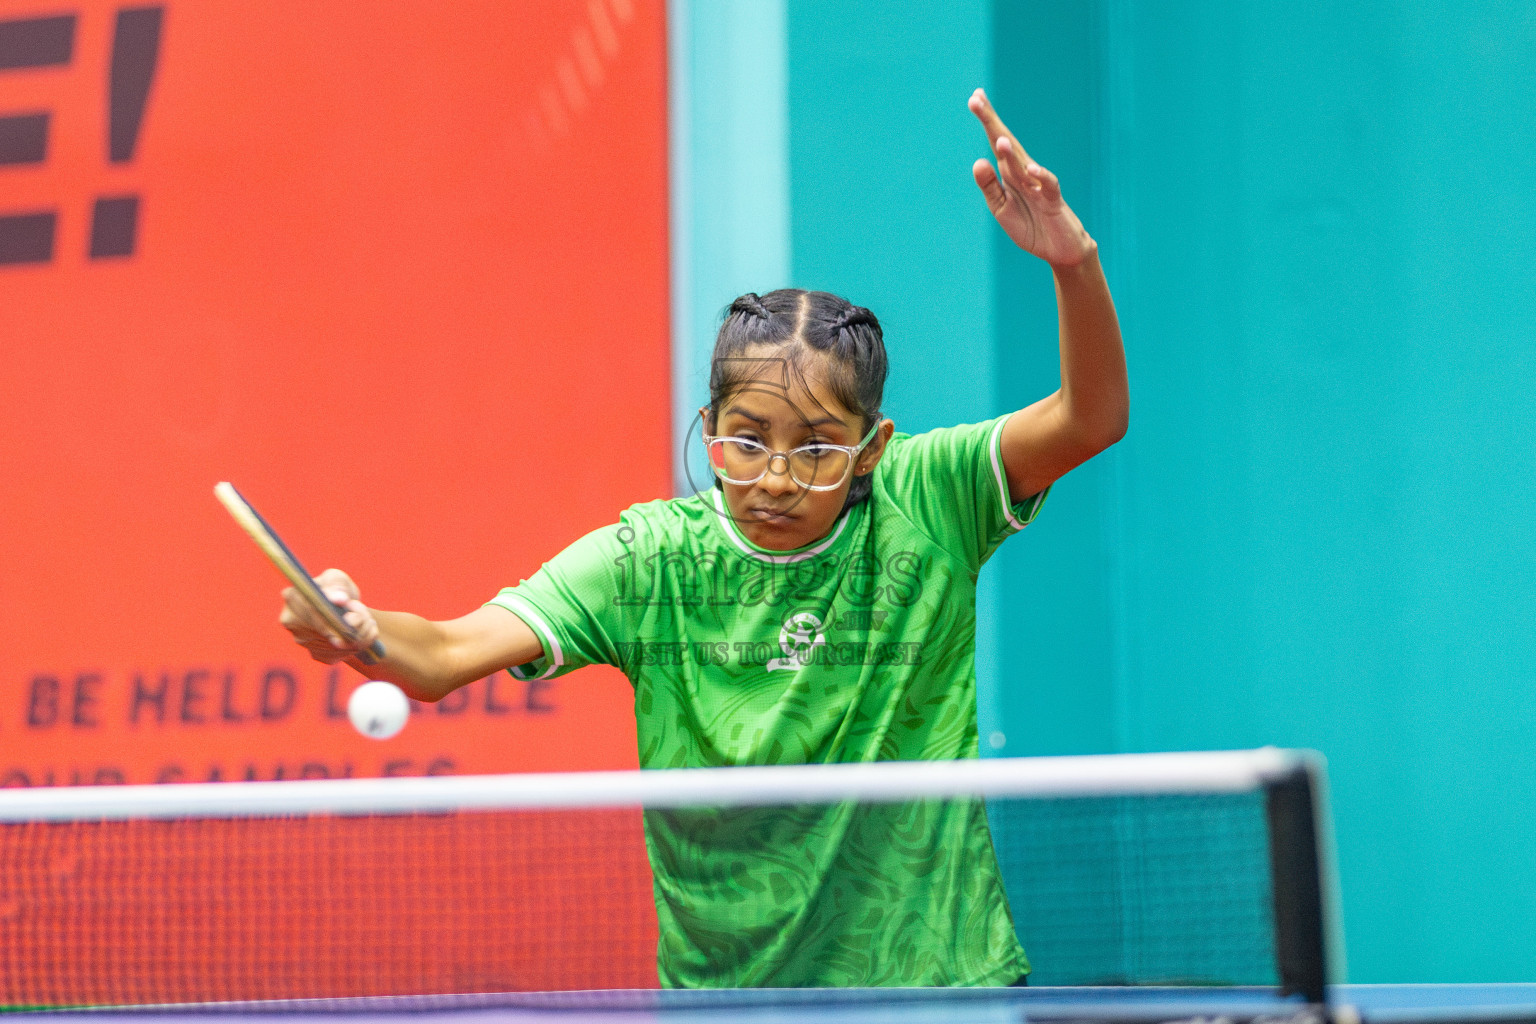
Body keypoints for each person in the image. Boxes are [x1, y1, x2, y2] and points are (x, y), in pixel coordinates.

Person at [280, 89, 1127, 988]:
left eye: (815, 449)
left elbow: (1091, 417)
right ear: (709, 425)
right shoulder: (652, 561)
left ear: (872, 448)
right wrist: (361, 634)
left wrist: (1074, 264)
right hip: (730, 996)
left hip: (935, 981)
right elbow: (447, 652)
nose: (772, 475)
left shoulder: (928, 493)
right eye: (746, 440)